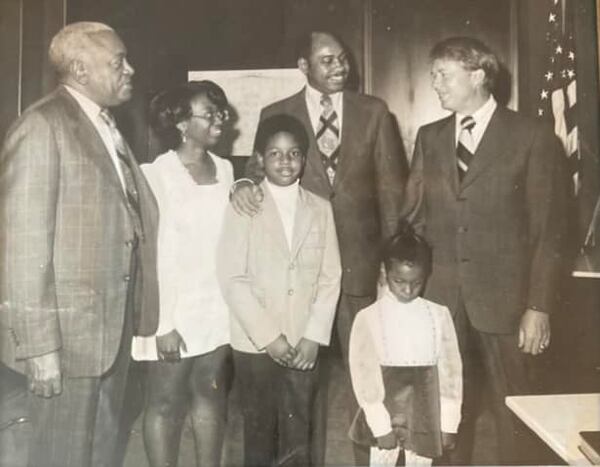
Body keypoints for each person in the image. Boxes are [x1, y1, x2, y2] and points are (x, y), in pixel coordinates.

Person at [232, 31, 407, 463]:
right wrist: (239, 183)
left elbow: (391, 192)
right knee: (299, 385)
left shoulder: (374, 111)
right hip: (300, 273)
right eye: (327, 61)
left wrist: (388, 262)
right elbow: (258, 172)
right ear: (304, 66)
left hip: (361, 268)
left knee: (367, 377)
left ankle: (369, 460)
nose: (339, 68)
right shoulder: (277, 112)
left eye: (343, 59)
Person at [401, 36, 569, 464]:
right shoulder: (430, 136)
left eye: (443, 74)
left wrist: (539, 306)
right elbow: (414, 220)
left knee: (516, 412)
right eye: (433, 74)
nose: (435, 83)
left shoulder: (531, 136)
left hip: (508, 305)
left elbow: (550, 231)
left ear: (478, 75)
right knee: (446, 413)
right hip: (442, 301)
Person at [0, 22, 159, 467]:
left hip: (108, 332)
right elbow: (22, 247)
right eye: (118, 62)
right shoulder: (41, 127)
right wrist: (39, 348)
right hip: (66, 342)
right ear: (79, 70)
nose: (131, 69)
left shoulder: (106, 126)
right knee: (61, 456)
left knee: (102, 451)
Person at [218, 114, 342, 466]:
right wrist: (269, 336)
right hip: (257, 342)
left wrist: (314, 336)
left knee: (298, 430)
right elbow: (232, 277)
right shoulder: (245, 204)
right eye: (275, 154)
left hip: (303, 340)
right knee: (257, 429)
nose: (285, 162)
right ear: (260, 159)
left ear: (304, 158)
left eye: (293, 154)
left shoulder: (320, 208)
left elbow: (330, 276)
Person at [131, 81, 233, 467]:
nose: (220, 119)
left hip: (216, 307)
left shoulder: (224, 170)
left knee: (210, 395)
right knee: (164, 402)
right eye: (210, 113)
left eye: (221, 111)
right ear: (181, 124)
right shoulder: (155, 174)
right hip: (173, 310)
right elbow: (153, 255)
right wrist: (164, 324)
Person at [348, 224, 462, 467]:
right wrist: (379, 425)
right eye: (399, 281)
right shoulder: (368, 318)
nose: (408, 289)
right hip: (385, 414)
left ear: (427, 274)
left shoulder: (439, 315)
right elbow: (364, 378)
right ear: (384, 271)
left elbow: (451, 375)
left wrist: (448, 422)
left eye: (416, 282)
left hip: (426, 417)